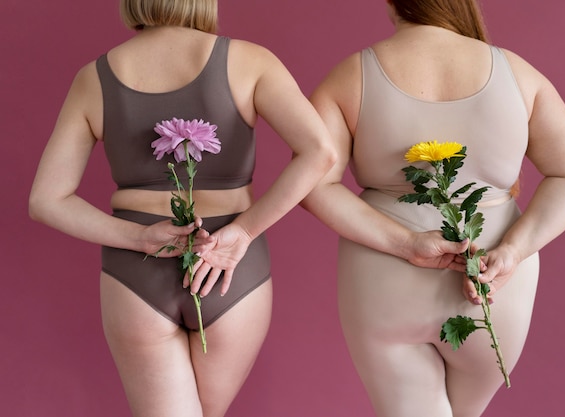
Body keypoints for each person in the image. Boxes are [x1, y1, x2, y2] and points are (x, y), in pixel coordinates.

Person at [28, 0, 340, 416]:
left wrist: (137, 236)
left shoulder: (93, 78)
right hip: (230, 266)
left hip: (135, 268)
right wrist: (244, 232)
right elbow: (320, 152)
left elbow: (46, 200)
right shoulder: (250, 61)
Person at [300, 0, 565, 416]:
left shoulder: (351, 76)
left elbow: (312, 186)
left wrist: (406, 244)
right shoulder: (518, 74)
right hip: (494, 283)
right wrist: (513, 251)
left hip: (383, 280)